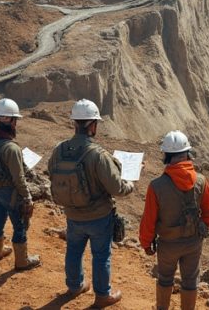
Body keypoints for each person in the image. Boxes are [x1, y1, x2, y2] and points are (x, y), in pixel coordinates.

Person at [48, 99, 134, 308]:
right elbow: (117, 188)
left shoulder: (59, 149)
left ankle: (75, 286)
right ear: (92, 125)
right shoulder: (98, 155)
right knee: (101, 254)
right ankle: (103, 295)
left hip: (72, 214)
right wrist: (130, 183)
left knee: (74, 250)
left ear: (74, 124)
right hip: (98, 216)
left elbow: (52, 174)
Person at [139, 131, 209, 310]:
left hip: (167, 244)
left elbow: (149, 220)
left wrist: (146, 243)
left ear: (166, 156)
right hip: (193, 243)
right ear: (187, 153)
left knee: (165, 279)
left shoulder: (156, 186)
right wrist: (201, 226)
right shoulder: (202, 181)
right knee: (190, 281)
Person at [0, 98, 41, 270]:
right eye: (15, 120)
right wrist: (27, 197)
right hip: (11, 193)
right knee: (19, 225)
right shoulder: (11, 148)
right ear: (12, 121)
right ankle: (22, 261)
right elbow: (18, 178)